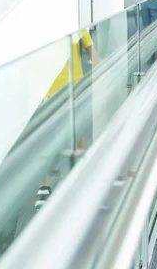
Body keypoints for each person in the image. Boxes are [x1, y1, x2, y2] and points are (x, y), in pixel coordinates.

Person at [35, 29, 100, 211]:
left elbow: (92, 53)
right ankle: (47, 186)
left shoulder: (76, 22)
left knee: (75, 135)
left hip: (73, 87)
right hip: (51, 89)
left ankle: (70, 180)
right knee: (50, 139)